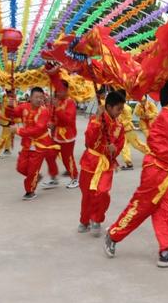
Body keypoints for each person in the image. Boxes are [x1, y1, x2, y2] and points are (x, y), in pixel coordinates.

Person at [104, 81, 168, 268]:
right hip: (156, 171)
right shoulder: (166, 117)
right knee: (141, 208)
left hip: (166, 172)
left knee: (167, 210)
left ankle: (167, 251)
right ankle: (113, 234)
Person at [77, 90, 125, 236]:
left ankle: (97, 219)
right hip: (90, 162)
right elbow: (89, 142)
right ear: (109, 107)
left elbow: (120, 144)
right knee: (87, 194)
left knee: (103, 192)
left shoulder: (119, 127)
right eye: (118, 109)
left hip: (106, 164)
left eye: (122, 109)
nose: (120, 112)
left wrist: (113, 149)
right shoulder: (96, 119)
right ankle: (84, 220)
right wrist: (98, 119)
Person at [9, 86, 58, 201]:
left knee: (32, 170)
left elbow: (38, 129)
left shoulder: (44, 111)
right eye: (36, 97)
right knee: (20, 167)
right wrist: (9, 105)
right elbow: (13, 113)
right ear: (30, 97)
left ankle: (30, 191)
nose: (39, 99)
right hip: (27, 143)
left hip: (40, 145)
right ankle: (35, 177)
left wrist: (18, 131)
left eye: (41, 97)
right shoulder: (24, 107)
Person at [41, 80, 79, 189]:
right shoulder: (56, 102)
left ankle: (75, 178)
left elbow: (67, 120)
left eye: (61, 90)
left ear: (66, 90)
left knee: (67, 158)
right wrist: (51, 123)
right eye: (57, 90)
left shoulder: (70, 102)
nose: (58, 93)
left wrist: (57, 108)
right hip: (56, 135)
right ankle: (54, 178)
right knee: (49, 154)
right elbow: (53, 117)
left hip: (67, 136)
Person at [117, 89, 150, 170]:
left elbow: (128, 119)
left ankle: (151, 153)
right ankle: (128, 163)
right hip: (122, 131)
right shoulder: (119, 106)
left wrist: (120, 125)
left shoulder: (126, 108)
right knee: (123, 147)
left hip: (129, 130)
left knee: (137, 145)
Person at [0, 91, 16, 159]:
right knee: (4, 136)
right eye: (13, 90)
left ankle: (7, 149)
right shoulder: (9, 100)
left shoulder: (6, 98)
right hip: (7, 120)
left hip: (6, 120)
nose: (15, 91)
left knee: (9, 135)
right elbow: (14, 109)